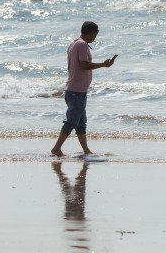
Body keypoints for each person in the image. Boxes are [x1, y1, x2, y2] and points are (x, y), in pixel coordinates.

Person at [50, 21, 117, 157]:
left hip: (76, 90)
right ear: (92, 32)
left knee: (81, 123)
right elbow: (84, 65)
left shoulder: (74, 43)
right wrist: (103, 65)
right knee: (72, 122)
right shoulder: (82, 45)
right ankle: (56, 148)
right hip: (76, 91)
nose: (95, 37)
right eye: (96, 34)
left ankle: (86, 150)